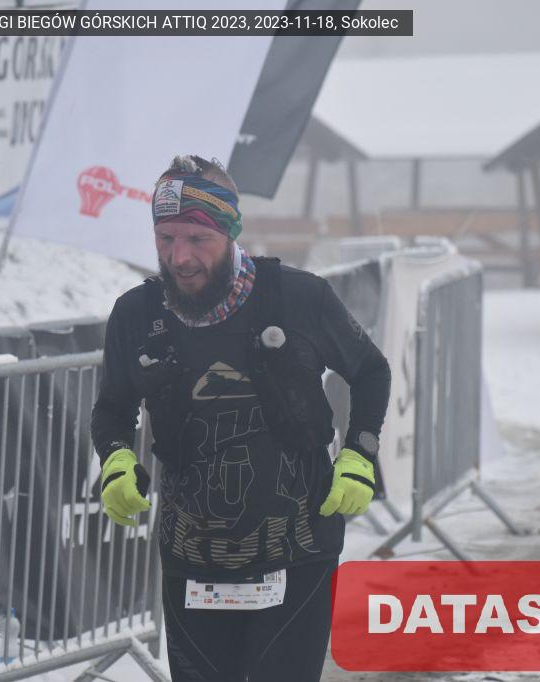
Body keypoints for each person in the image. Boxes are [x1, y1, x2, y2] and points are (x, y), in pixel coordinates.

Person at [91, 154, 391, 682]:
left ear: (230, 231)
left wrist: (359, 454)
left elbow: (370, 371)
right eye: (165, 238)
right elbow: (113, 408)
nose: (179, 256)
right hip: (192, 557)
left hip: (297, 550)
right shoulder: (137, 315)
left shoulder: (299, 297)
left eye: (197, 238)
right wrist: (115, 459)